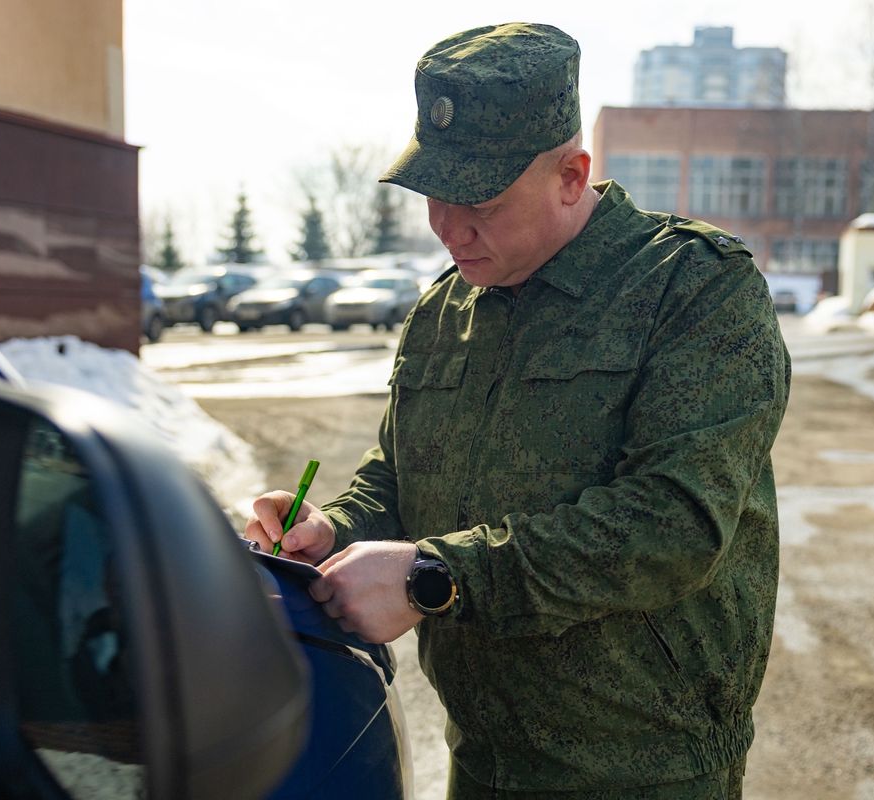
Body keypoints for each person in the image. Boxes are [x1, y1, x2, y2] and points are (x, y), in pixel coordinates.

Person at [245, 21, 790, 799]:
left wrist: (433, 577)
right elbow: (400, 475)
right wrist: (334, 526)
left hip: (644, 771)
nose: (449, 228)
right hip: (483, 755)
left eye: (483, 202)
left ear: (573, 175)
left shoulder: (693, 289)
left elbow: (673, 526)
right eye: (435, 194)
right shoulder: (445, 308)